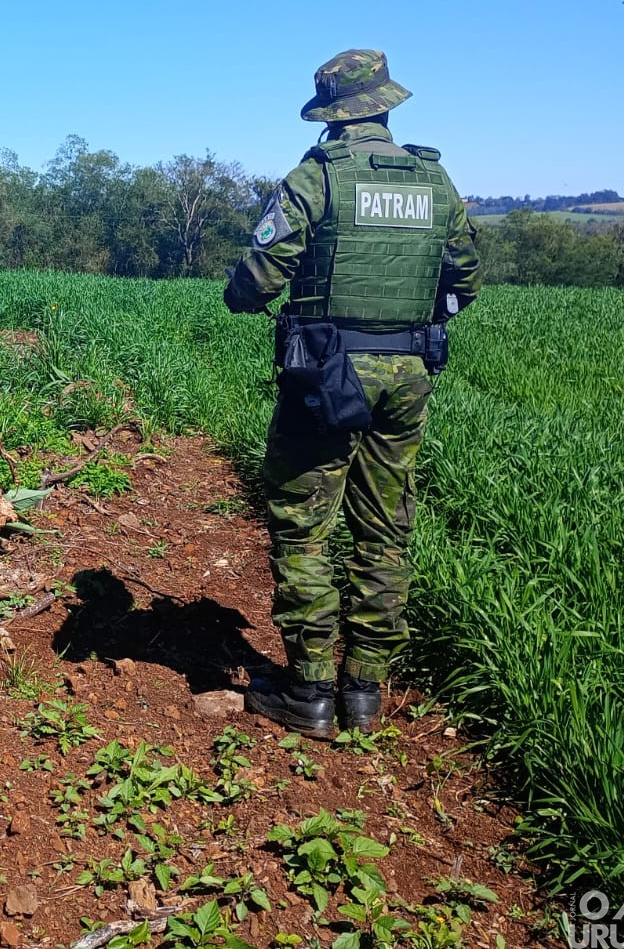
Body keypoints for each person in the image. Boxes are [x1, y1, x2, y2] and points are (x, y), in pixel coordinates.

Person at [222, 49, 482, 739]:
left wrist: (239, 294)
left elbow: (257, 282)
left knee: (305, 524)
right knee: (385, 525)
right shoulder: (436, 181)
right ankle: (363, 692)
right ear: (386, 106)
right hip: (409, 377)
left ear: (333, 114)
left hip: (326, 377)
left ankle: (307, 691)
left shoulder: (317, 177)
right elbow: (467, 279)